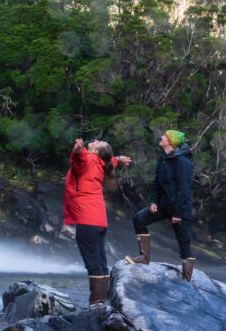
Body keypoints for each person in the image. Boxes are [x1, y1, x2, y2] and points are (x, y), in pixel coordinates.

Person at [64, 137, 131, 305]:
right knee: (101, 262)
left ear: (95, 151)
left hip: (87, 219)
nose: (95, 140)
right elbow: (111, 161)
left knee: (93, 263)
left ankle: (96, 303)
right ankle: (101, 302)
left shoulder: (87, 159)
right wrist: (119, 159)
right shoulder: (103, 163)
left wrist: (78, 150)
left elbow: (79, 158)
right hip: (99, 221)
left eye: (98, 142)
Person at [125, 129, 196, 281]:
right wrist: (153, 202)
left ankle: (187, 277)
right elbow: (157, 183)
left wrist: (178, 213)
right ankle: (144, 258)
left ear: (171, 141)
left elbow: (185, 189)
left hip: (180, 209)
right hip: (163, 206)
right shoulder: (163, 159)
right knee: (139, 219)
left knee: (184, 242)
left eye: (164, 136)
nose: (161, 137)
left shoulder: (183, 162)